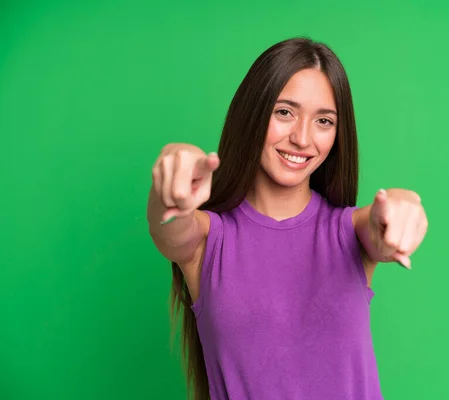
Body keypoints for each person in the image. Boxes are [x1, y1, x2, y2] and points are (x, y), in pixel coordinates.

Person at [147, 37, 428, 400]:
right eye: (284, 112)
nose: (302, 138)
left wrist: (405, 208)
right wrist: (172, 170)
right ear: (253, 112)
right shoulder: (206, 240)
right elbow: (167, 223)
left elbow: (383, 220)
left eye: (324, 121)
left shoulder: (352, 233)